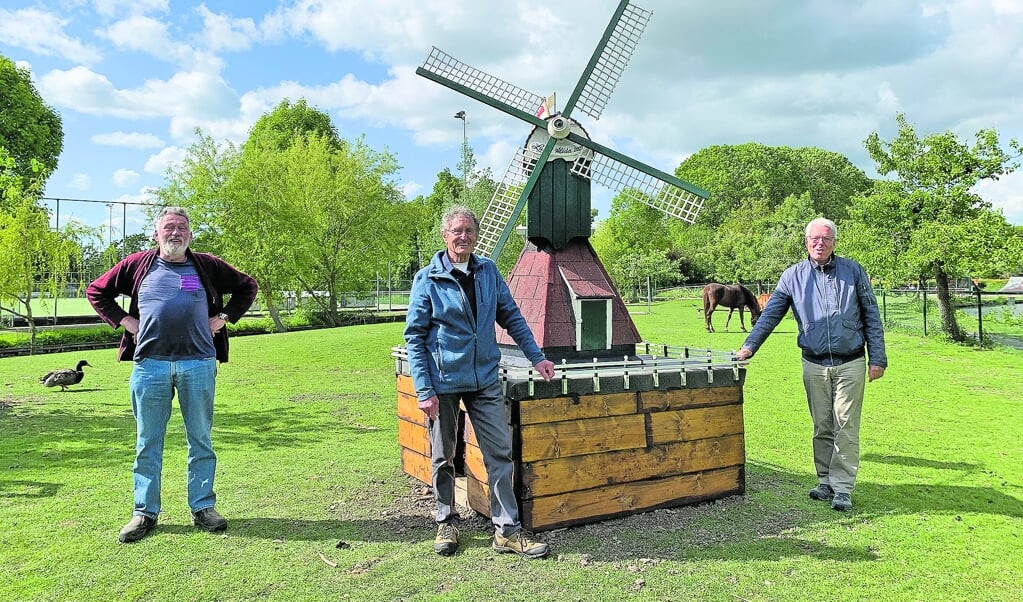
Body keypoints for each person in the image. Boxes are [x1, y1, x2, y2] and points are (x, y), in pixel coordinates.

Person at [87, 206, 258, 543]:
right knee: (148, 441)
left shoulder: (206, 265)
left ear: (190, 234)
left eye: (182, 227)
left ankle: (203, 507)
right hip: (150, 365)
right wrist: (125, 320)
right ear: (156, 234)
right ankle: (144, 512)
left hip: (198, 364)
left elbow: (247, 287)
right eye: (169, 227)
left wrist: (223, 316)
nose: (175, 233)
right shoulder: (138, 265)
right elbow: (97, 291)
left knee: (201, 438)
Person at [404, 206, 556, 559]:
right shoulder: (427, 279)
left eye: (469, 231)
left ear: (476, 235)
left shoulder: (488, 271)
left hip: (485, 378)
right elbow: (415, 337)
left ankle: (507, 530)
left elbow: (512, 316)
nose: (463, 237)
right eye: (456, 231)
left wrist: (537, 356)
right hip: (442, 381)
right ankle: (446, 520)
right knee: (443, 457)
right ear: (445, 236)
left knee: (499, 453)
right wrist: (424, 390)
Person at [736, 217, 887, 512]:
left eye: (826, 239)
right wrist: (749, 346)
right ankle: (824, 480)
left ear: (834, 243)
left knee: (846, 424)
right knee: (822, 425)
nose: (820, 243)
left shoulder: (853, 271)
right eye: (814, 239)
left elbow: (871, 315)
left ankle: (842, 487)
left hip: (850, 362)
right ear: (806, 242)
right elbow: (770, 315)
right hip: (814, 365)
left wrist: (877, 358)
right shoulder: (793, 276)